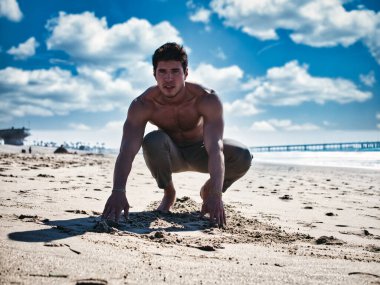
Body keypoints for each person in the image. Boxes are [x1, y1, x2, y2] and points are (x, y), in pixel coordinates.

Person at [102, 42, 252, 227]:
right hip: (170, 155)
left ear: (186, 73)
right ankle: (169, 192)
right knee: (152, 140)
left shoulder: (206, 99)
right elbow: (127, 150)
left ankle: (209, 190)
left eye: (175, 71)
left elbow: (215, 148)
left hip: (201, 152)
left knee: (242, 154)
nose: (169, 78)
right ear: (154, 74)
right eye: (162, 72)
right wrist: (118, 191)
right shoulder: (143, 104)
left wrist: (216, 194)